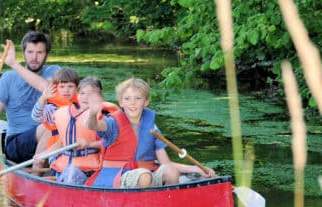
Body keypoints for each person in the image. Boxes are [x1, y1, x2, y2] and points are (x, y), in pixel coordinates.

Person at [86, 77, 216, 188]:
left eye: (138, 98)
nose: (132, 103)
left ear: (146, 101)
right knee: (144, 175)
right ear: (121, 102)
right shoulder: (112, 123)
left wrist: (194, 169)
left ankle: (166, 205)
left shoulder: (151, 127)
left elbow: (165, 163)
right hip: (116, 176)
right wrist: (92, 114)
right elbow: (94, 125)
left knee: (171, 171)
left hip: (146, 175)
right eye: (127, 99)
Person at [0, 31, 60, 163]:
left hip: (50, 140)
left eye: (39, 52)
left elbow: (48, 88)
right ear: (23, 54)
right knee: (49, 127)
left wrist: (14, 64)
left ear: (47, 55)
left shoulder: (54, 72)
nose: (34, 57)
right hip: (16, 143)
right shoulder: (8, 78)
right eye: (30, 52)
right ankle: (37, 170)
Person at [35, 77, 115, 184]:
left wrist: (89, 145)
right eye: (83, 93)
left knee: (72, 173)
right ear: (77, 94)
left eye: (91, 94)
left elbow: (111, 145)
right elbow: (61, 143)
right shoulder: (66, 113)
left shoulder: (105, 118)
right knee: (69, 171)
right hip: (65, 167)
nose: (86, 97)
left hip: (89, 170)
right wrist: (44, 154)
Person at [31, 67, 79, 149]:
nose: (66, 90)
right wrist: (43, 99)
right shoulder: (51, 108)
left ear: (76, 88)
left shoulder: (81, 105)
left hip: (77, 143)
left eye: (70, 86)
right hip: (56, 148)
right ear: (56, 88)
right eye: (62, 87)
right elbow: (36, 117)